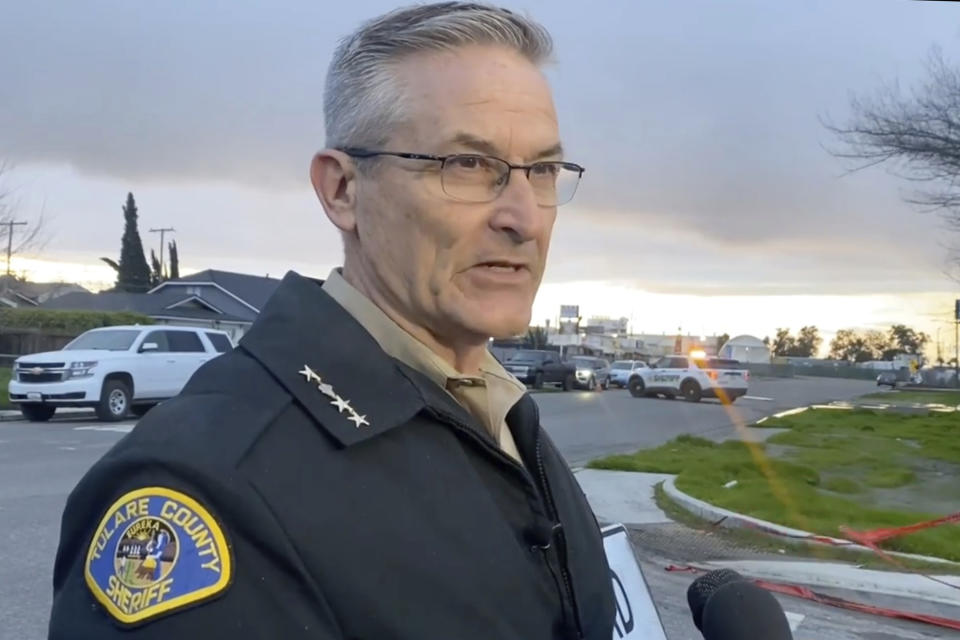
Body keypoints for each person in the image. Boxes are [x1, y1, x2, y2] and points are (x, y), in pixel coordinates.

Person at [48, 3, 616, 638]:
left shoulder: (503, 418)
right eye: (468, 166)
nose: (525, 218)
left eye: (541, 171)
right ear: (343, 190)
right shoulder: (211, 482)